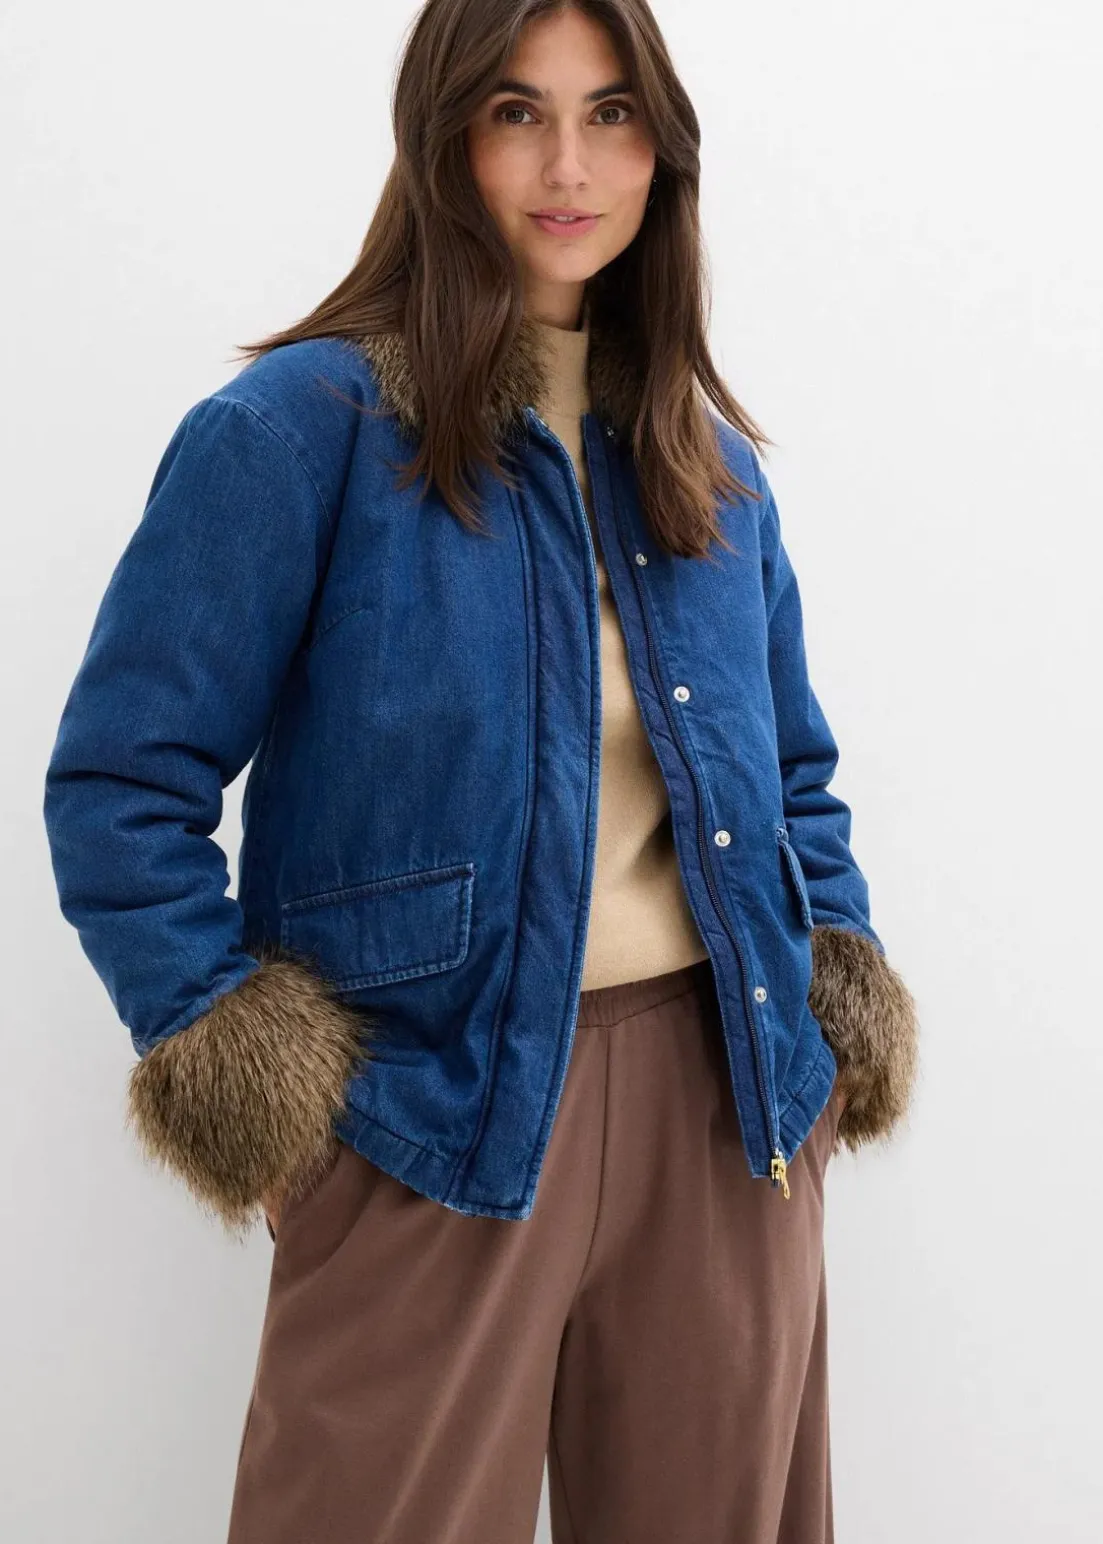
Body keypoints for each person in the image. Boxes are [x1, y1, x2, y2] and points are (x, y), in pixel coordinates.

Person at [42, 1, 919, 1539]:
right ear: (441, 138)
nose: (567, 166)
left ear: (663, 150)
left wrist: (832, 992)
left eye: (610, 114)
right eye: (517, 113)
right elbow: (122, 784)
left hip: (725, 1109)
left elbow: (792, 774)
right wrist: (254, 1071)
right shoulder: (297, 430)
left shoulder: (705, 461)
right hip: (429, 1108)